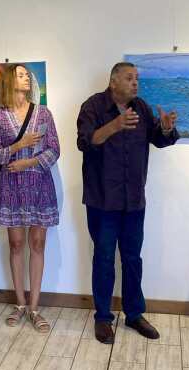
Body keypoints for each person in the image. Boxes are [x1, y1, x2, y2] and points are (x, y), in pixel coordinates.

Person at [77, 62, 179, 344]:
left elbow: (159, 139)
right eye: (129, 78)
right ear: (113, 82)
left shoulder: (141, 107)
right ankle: (102, 317)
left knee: (133, 259)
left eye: (137, 78)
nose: (135, 83)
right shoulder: (93, 107)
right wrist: (115, 125)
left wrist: (166, 129)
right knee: (104, 258)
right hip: (102, 200)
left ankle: (134, 314)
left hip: (133, 199)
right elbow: (85, 141)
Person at [0, 64, 61, 332]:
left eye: (27, 75)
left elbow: (54, 149)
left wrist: (27, 162)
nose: (26, 78)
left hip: (40, 186)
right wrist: (19, 146)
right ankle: (20, 303)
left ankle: (34, 307)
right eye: (20, 75)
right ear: (10, 81)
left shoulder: (43, 113)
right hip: (12, 188)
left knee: (38, 243)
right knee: (16, 244)